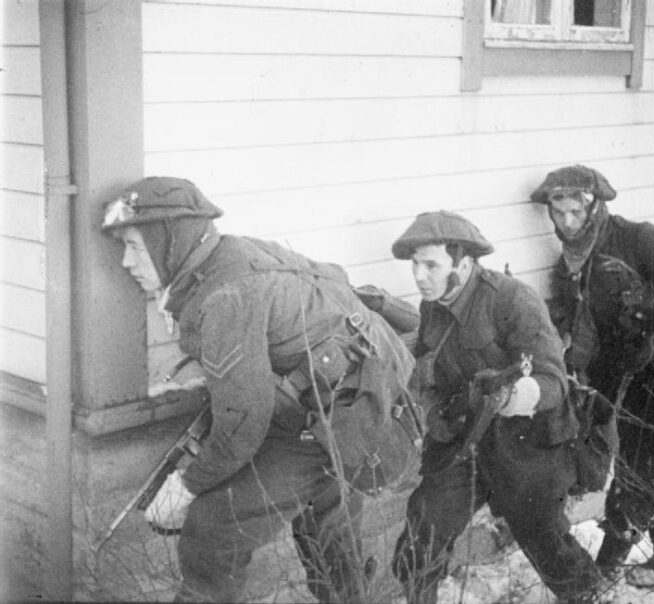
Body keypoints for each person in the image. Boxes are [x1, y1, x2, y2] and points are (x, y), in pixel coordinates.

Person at [101, 176, 423, 603]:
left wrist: (188, 485)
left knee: (214, 527)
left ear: (170, 243)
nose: (126, 262)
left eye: (135, 247)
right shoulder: (232, 254)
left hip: (341, 418)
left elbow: (243, 424)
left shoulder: (226, 294)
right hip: (355, 406)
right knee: (327, 522)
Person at [389, 210, 603, 603]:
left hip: (526, 443)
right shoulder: (431, 307)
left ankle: (584, 597)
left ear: (464, 262)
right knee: (423, 532)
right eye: (415, 265)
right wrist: (433, 409)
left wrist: (515, 396)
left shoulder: (512, 299)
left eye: (431, 265)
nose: (419, 276)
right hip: (464, 440)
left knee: (545, 540)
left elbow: (552, 381)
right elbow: (429, 367)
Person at [531, 165, 654, 582]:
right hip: (613, 380)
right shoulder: (569, 264)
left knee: (636, 466)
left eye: (575, 212)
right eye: (558, 214)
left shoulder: (640, 239)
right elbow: (575, 320)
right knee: (647, 461)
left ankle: (606, 567)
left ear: (595, 207)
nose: (567, 223)